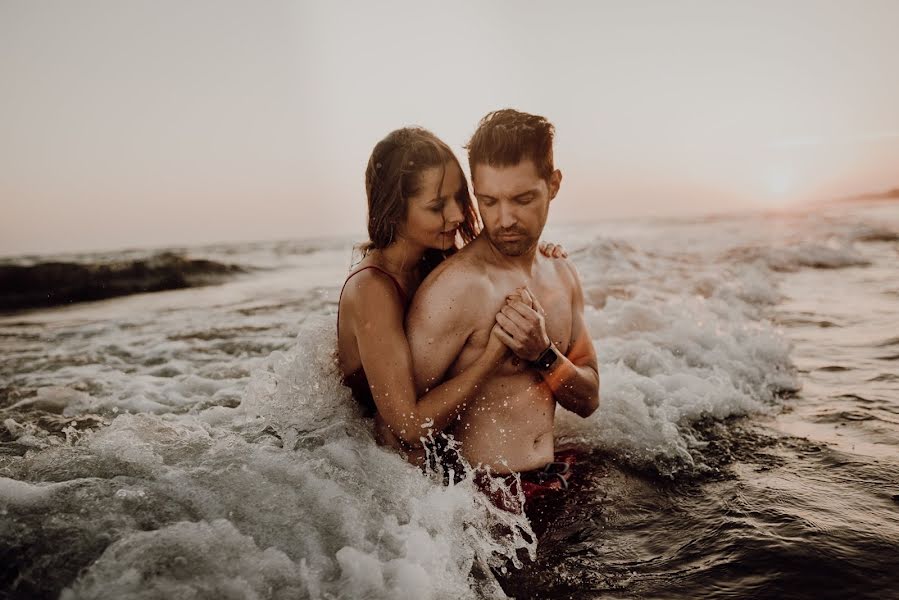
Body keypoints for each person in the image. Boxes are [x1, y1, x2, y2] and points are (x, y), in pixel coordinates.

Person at [337, 127, 567, 464]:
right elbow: (409, 427)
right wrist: (491, 357)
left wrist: (533, 251)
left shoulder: (435, 260)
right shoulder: (371, 289)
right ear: (394, 210)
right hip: (366, 459)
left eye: (459, 197)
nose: (457, 215)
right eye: (436, 206)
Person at [406, 109, 600, 508]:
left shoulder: (562, 274)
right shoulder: (456, 289)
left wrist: (543, 355)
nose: (505, 219)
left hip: (555, 481)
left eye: (522, 198)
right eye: (489, 201)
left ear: (554, 184)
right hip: (486, 506)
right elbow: (398, 432)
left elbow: (589, 400)